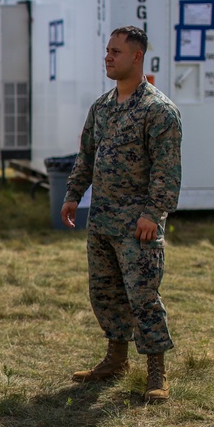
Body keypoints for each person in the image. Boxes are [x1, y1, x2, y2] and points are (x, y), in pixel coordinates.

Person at [60, 25, 182, 403]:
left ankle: (156, 372)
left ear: (137, 56)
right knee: (106, 293)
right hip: (102, 220)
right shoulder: (102, 106)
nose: (108, 57)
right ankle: (115, 360)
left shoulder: (158, 111)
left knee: (143, 296)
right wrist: (72, 194)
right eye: (107, 51)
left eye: (115, 51)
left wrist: (152, 213)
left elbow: (167, 171)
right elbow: (87, 156)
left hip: (138, 225)